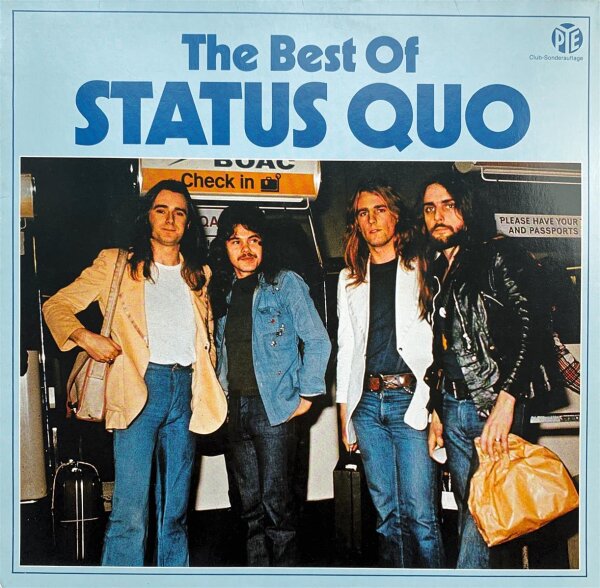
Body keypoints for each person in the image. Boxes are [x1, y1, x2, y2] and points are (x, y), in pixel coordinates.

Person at [43, 179, 227, 567]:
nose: (170, 219)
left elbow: (206, 340)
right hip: (139, 389)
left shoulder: (200, 275)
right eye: (161, 210)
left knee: (175, 513)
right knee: (130, 513)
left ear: (189, 223)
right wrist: (87, 338)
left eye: (179, 212)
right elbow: (56, 306)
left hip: (186, 394)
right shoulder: (117, 264)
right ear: (147, 216)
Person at [417, 173, 540, 568]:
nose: (438, 216)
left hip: (491, 404)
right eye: (429, 208)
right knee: (480, 514)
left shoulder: (498, 254)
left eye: (448, 206)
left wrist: (507, 401)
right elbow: (445, 347)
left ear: (467, 210)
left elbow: (532, 327)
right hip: (453, 407)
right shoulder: (440, 268)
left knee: (479, 520)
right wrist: (437, 409)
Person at [209, 204, 331, 567]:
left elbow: (318, 340)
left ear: (265, 244)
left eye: (254, 239)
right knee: (248, 510)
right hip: (233, 409)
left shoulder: (285, 283)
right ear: (224, 246)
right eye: (236, 241)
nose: (246, 248)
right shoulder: (221, 291)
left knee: (278, 508)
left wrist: (307, 396)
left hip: (274, 409)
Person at [336, 180, 445, 568]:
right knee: (387, 518)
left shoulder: (423, 266)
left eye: (379, 209)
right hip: (366, 406)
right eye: (363, 213)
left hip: (411, 401)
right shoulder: (349, 277)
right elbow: (346, 347)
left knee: (422, 518)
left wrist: (436, 408)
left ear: (396, 215)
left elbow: (440, 342)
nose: (371, 219)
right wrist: (345, 415)